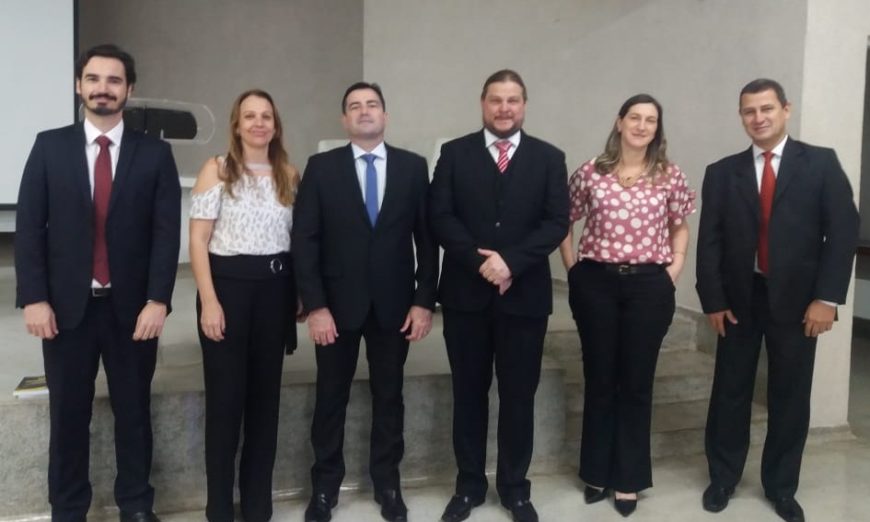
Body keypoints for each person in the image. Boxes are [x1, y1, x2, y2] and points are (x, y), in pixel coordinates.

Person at [14, 44, 181, 522]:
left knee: (134, 413)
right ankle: (68, 509)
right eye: (93, 78)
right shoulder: (49, 147)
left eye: (113, 80)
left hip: (133, 311)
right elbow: (29, 227)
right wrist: (34, 298)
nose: (102, 88)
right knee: (68, 415)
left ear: (129, 89)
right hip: (66, 310)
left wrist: (158, 300)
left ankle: (136, 505)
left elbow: (166, 234)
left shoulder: (155, 154)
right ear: (78, 85)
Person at [696, 78, 859, 522]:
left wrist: (827, 298)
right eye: (749, 111)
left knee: (790, 394)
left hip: (799, 302)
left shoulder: (820, 164)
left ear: (786, 109)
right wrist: (712, 299)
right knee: (730, 391)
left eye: (766, 108)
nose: (758, 118)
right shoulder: (721, 172)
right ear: (741, 116)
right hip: (739, 298)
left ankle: (781, 487)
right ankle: (723, 478)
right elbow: (709, 241)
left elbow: (842, 232)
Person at [292, 82, 437, 522]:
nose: (364, 111)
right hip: (335, 309)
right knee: (330, 397)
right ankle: (324, 488)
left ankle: (387, 484)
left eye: (372, 104)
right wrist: (316, 306)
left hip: (395, 306)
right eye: (354, 106)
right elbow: (305, 240)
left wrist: (424, 301)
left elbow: (427, 241)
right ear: (344, 120)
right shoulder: (321, 168)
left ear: (385, 115)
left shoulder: (413, 167)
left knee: (389, 396)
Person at [429, 69, 569, 522]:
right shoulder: (454, 154)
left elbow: (556, 221)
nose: (504, 108)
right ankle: (468, 486)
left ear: (524, 105)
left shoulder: (549, 158)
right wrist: (480, 262)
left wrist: (511, 262)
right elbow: (440, 216)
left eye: (513, 100)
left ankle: (515, 489)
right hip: (465, 297)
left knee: (519, 396)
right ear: (483, 103)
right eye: (496, 100)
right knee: (468, 394)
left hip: (524, 298)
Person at [558, 94, 695, 517]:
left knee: (636, 382)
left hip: (648, 287)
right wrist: (574, 270)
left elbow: (680, 225)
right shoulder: (591, 172)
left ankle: (629, 478)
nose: (641, 126)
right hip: (595, 283)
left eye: (650, 120)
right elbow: (564, 220)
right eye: (634, 117)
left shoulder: (669, 175)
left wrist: (674, 268)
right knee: (600, 378)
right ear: (619, 123)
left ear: (657, 129)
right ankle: (595, 472)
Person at [189, 89, 299, 522]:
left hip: (274, 293)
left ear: (276, 125)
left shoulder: (288, 173)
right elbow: (198, 240)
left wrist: (299, 294)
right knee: (225, 403)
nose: (258, 123)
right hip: (227, 292)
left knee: (264, 405)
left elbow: (295, 241)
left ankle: (257, 506)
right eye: (249, 116)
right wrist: (209, 302)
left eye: (266, 116)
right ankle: (219, 507)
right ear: (236, 125)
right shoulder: (216, 170)